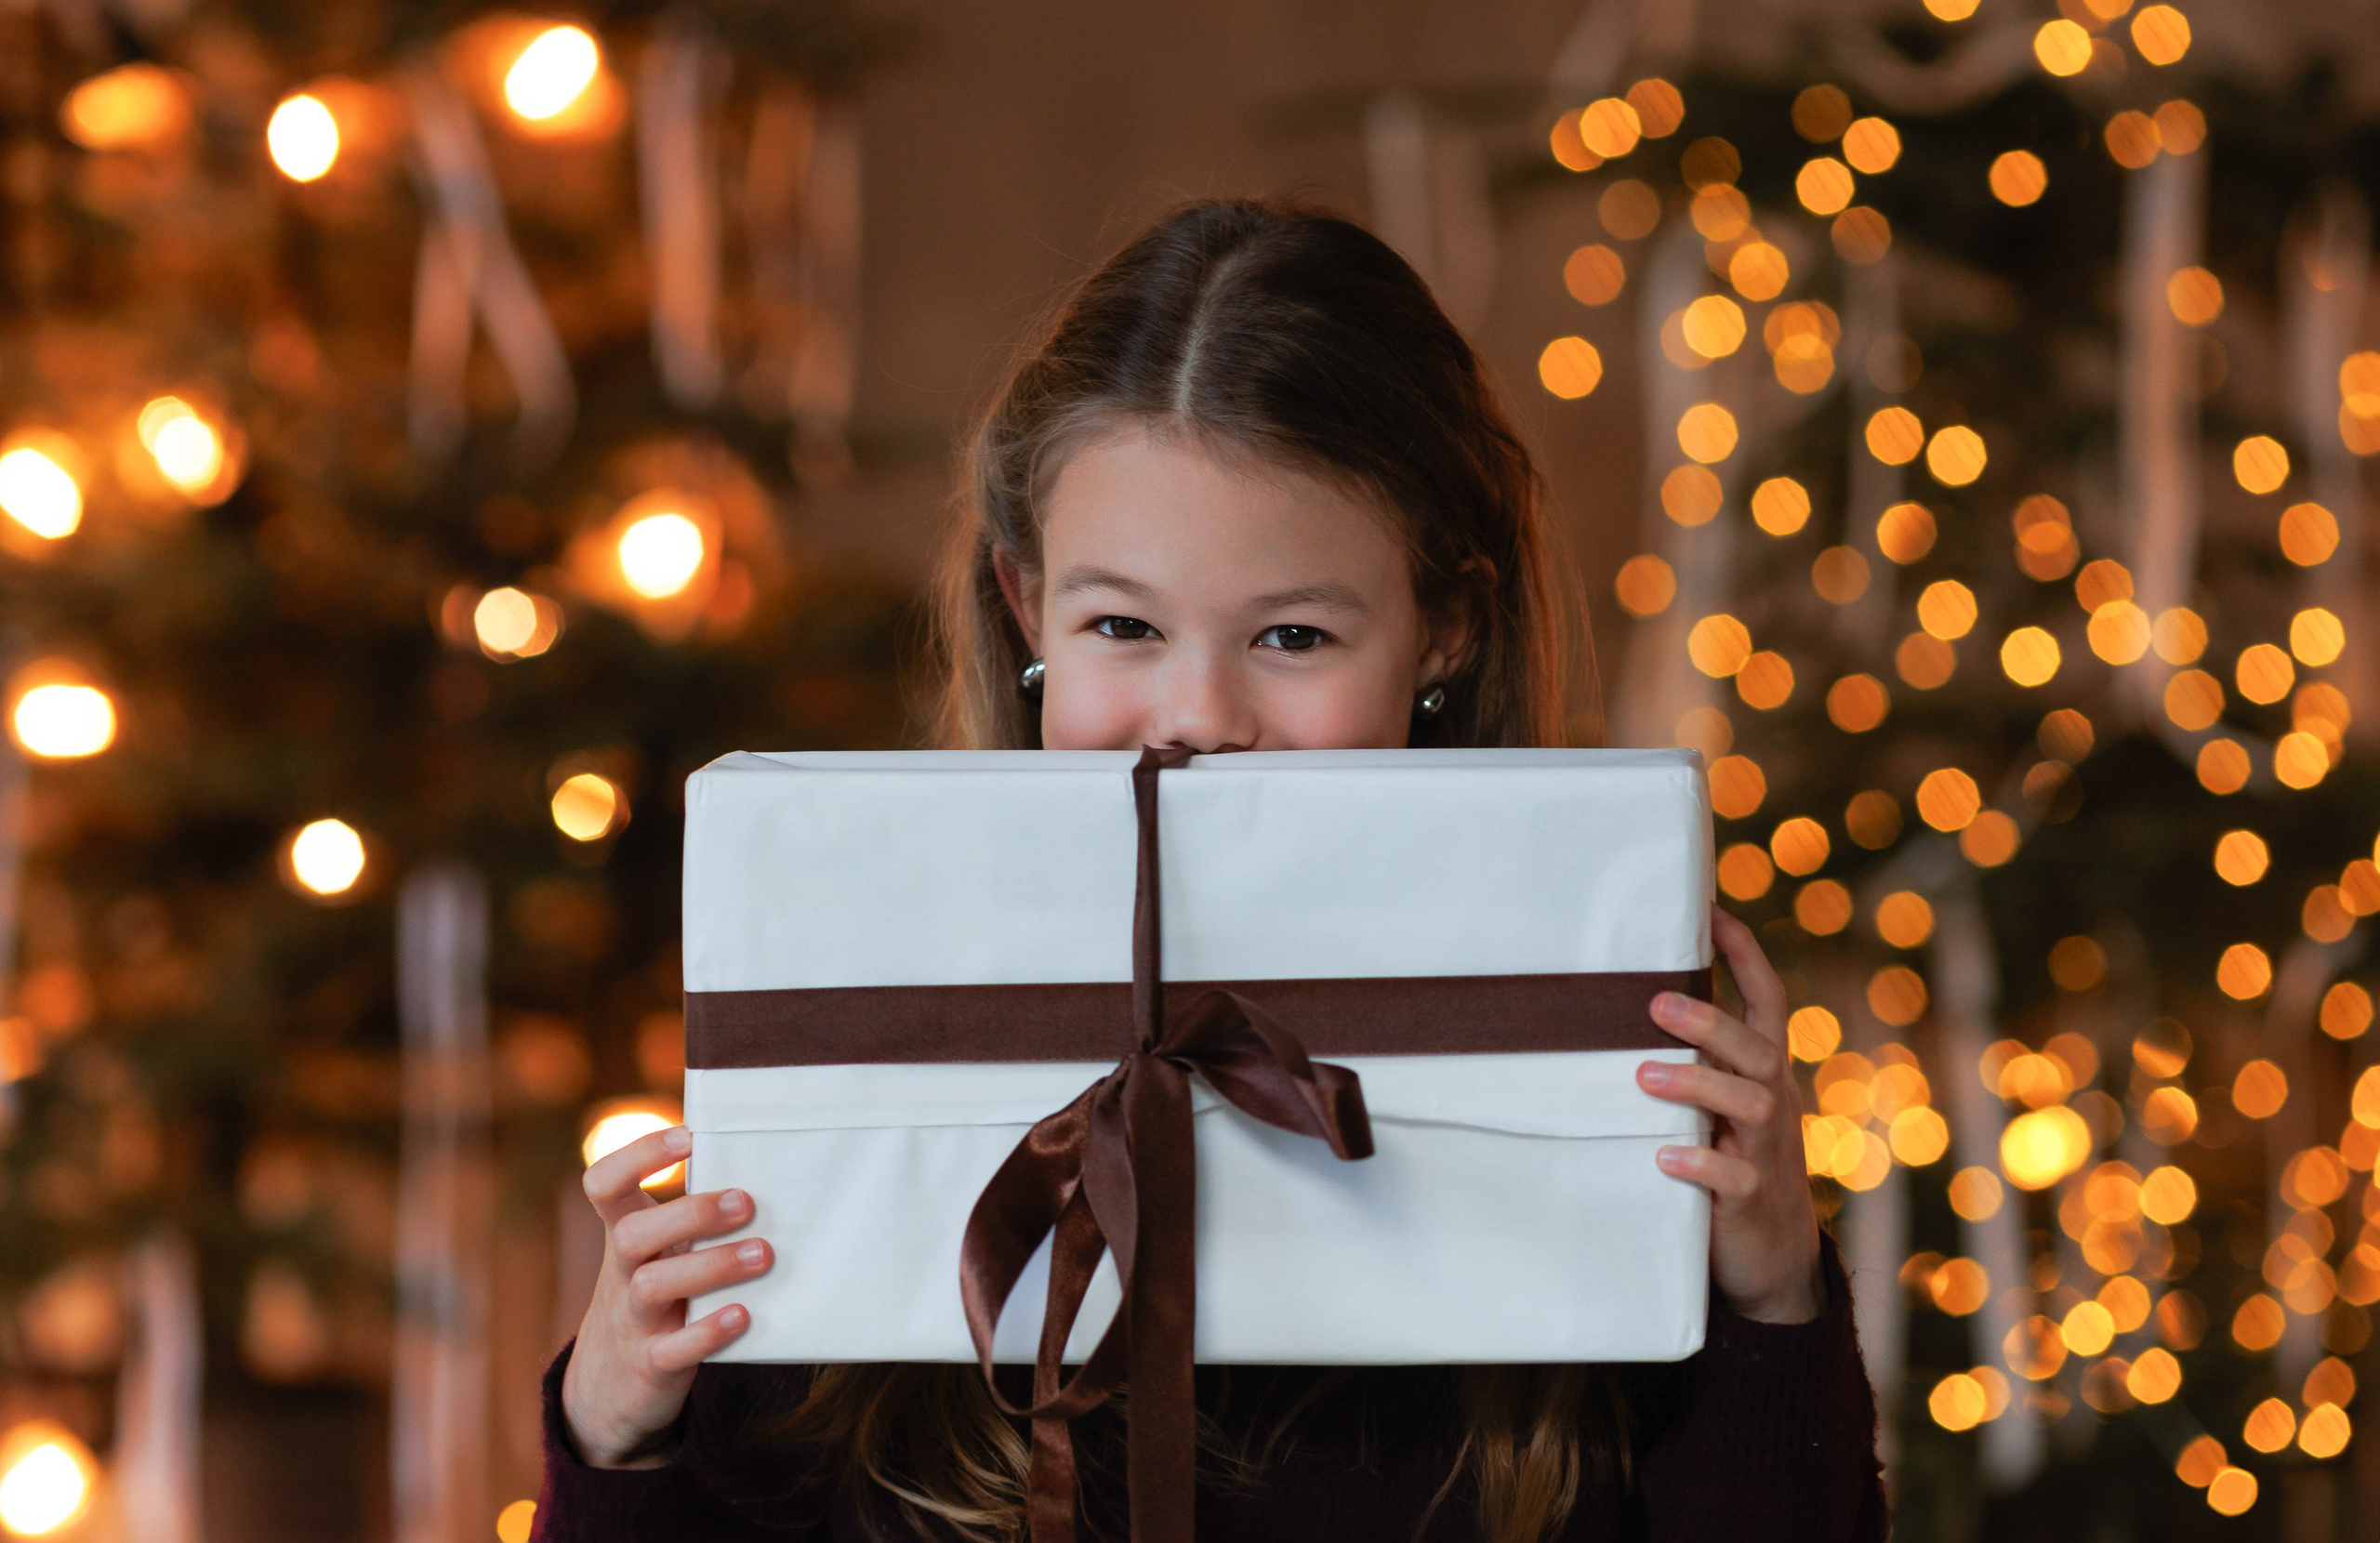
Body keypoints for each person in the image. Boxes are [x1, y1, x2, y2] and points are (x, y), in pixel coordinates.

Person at [537, 199, 1884, 1543]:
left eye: (1292, 636)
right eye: (1122, 622)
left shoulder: (1611, 1100)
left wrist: (1769, 1302)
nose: (1196, 713)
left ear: (1447, 633)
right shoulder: (849, 1044)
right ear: (1026, 606)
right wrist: (619, 1426)